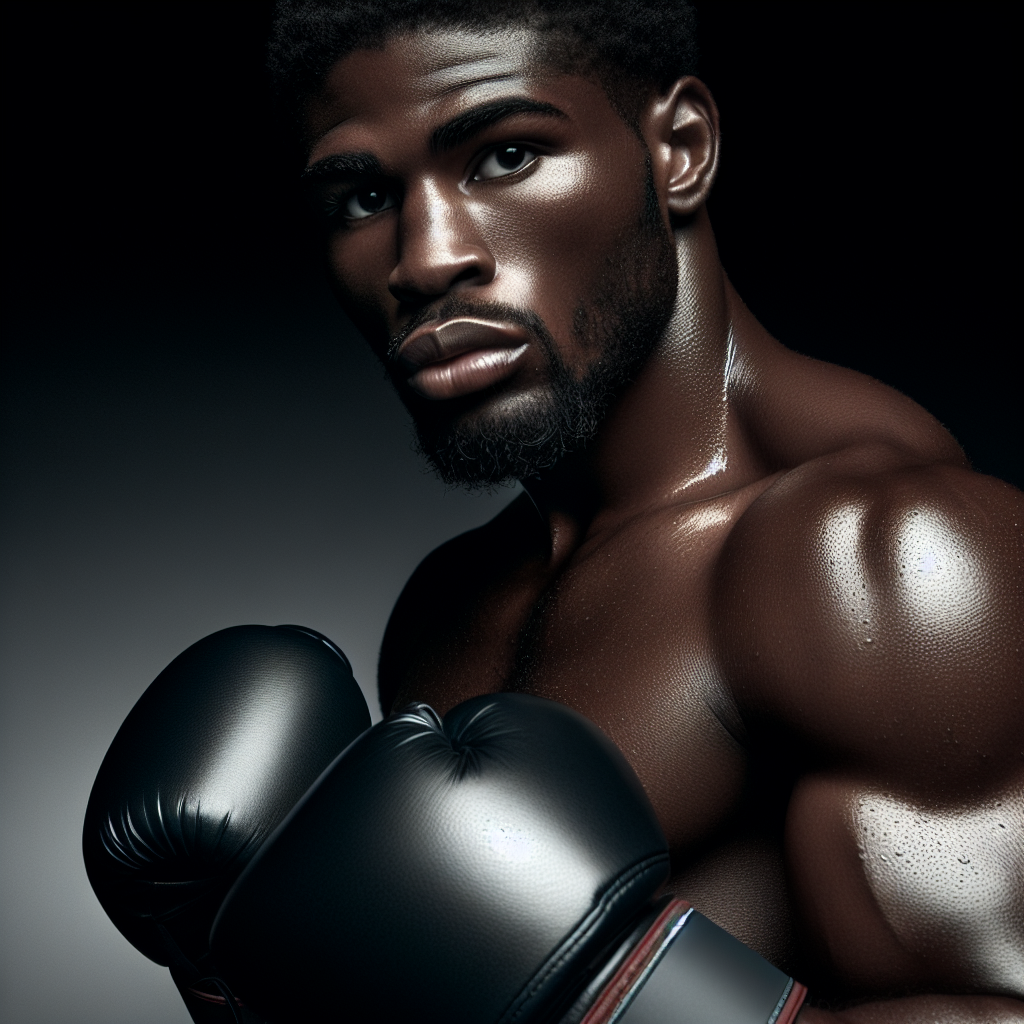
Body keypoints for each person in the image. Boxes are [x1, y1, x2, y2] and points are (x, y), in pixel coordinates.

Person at [84, 3, 1022, 1022]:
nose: (425, 259)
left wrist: (607, 989)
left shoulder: (884, 559)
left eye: (504, 156)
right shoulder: (451, 605)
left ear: (679, 150)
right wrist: (241, 964)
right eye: (361, 195)